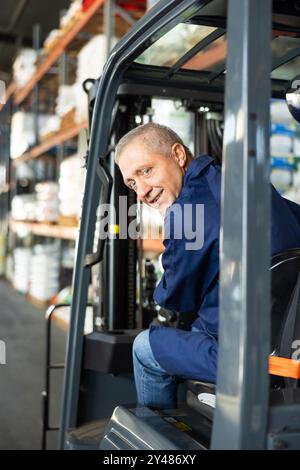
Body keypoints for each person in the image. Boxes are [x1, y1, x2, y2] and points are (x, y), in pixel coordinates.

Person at [115, 122, 300, 410]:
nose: (142, 191)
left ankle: (160, 441)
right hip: (286, 344)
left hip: (244, 354)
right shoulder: (246, 184)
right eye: (132, 183)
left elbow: (176, 298)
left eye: (146, 171)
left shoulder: (187, 213)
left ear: (177, 155)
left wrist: (161, 293)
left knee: (144, 346)